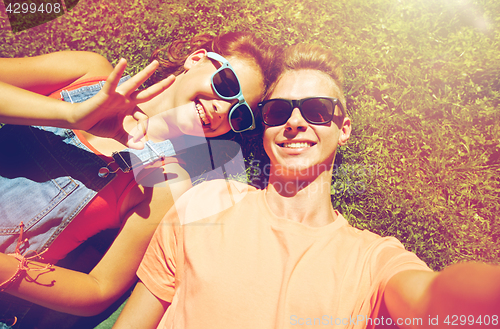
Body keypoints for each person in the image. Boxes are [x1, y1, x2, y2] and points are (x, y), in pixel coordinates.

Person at [114, 43, 500, 329]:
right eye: (279, 111)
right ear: (265, 130)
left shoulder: (371, 260)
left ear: (343, 128)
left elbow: (433, 300)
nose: (295, 121)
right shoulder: (205, 202)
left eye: (316, 111)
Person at [0, 31, 274, 327]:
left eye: (239, 113)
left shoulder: (167, 181)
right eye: (226, 84)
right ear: (196, 59)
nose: (223, 108)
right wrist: (70, 115)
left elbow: (99, 289)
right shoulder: (88, 73)